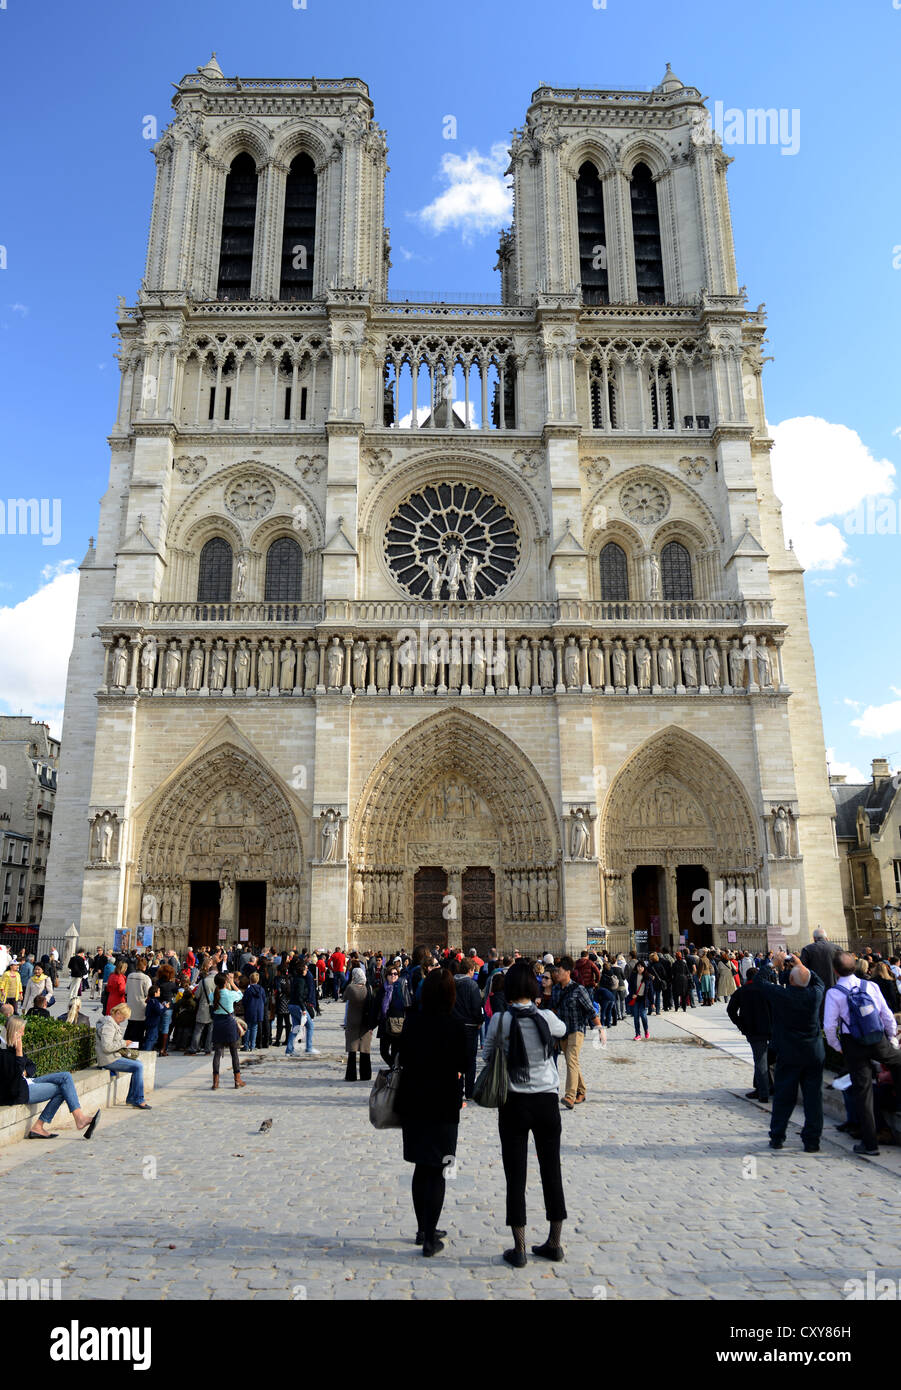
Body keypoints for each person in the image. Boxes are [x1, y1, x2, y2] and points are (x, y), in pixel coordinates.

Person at [482, 960, 568, 1267]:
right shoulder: (546, 1018)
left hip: (514, 1103)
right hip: (546, 1103)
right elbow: (563, 1029)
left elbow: (487, 1053)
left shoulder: (500, 1022)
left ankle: (518, 1249)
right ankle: (554, 1243)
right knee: (551, 1170)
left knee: (515, 1175)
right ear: (533, 988)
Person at [396, 968, 467, 1257]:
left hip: (413, 1101)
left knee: (420, 1167)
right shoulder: (456, 1025)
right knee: (439, 1170)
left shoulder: (412, 1022)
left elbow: (399, 1055)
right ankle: (429, 1238)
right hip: (444, 1105)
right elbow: (464, 1064)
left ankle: (423, 1229)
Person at [825, 950, 901, 1156]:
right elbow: (886, 1014)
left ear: (835, 970)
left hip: (853, 1044)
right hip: (877, 1038)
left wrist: (838, 1047)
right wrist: (892, 1037)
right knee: (897, 1062)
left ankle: (870, 1144)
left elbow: (829, 1027)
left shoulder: (834, 992)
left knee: (863, 1092)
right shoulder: (871, 986)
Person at [753, 952, 825, 1152]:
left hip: (789, 1053)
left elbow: (759, 981)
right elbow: (819, 981)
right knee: (813, 1100)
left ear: (790, 980)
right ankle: (812, 1141)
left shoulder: (782, 995)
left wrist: (772, 964)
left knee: (784, 1097)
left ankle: (777, 1137)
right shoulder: (816, 994)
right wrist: (802, 965)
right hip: (813, 1053)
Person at [0, 1017, 100, 1139]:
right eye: (21, 1031)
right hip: (17, 1092)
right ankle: (45, 1125)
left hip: (26, 1081)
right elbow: (14, 1075)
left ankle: (79, 1118)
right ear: (14, 1032)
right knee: (62, 1089)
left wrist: (25, 1072)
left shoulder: (12, 1047)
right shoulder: (4, 1052)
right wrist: (19, 1052)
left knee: (65, 1076)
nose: (23, 1034)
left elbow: (31, 1065)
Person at [551, 956, 601, 1109]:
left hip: (577, 1030)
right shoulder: (556, 990)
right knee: (571, 1061)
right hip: (562, 1032)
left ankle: (570, 1096)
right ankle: (581, 1091)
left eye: (558, 971)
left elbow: (591, 1011)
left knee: (571, 1059)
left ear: (567, 972)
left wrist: (600, 1030)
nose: (556, 974)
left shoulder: (579, 989)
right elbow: (554, 1010)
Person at [726, 967, 773, 1101]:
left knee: (760, 1060)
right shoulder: (767, 989)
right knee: (765, 1059)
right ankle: (764, 1088)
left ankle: (763, 1091)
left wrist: (741, 1024)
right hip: (771, 1028)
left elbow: (730, 1010)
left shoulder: (742, 991)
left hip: (753, 1029)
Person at [94, 1005, 151, 1109]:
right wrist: (124, 1043)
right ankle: (138, 1099)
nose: (123, 1020)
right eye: (122, 1017)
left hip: (112, 1056)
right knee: (138, 1066)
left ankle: (133, 1098)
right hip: (108, 1059)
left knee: (137, 1064)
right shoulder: (109, 1025)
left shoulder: (112, 1023)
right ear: (117, 1013)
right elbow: (107, 1047)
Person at [451, 956, 483, 1100]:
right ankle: (469, 1092)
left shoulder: (450, 982)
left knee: (456, 1058)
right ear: (470, 970)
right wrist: (479, 1020)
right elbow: (476, 1007)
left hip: (454, 1025)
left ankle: (457, 1090)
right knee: (470, 1060)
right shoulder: (472, 985)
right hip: (469, 1026)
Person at [210, 972, 247, 1090]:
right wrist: (232, 983)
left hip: (218, 1024)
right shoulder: (230, 994)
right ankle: (237, 1080)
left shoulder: (213, 995)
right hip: (229, 1023)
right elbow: (240, 994)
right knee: (234, 1053)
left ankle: (215, 1082)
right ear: (225, 982)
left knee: (217, 1053)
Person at [374, 962, 410, 1068]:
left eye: (395, 974)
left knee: (395, 1051)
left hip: (397, 1024)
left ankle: (395, 1072)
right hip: (385, 1024)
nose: (393, 976)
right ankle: (394, 1067)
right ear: (386, 976)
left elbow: (407, 1005)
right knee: (383, 1051)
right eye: (390, 974)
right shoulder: (382, 989)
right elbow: (376, 1007)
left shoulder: (401, 988)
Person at [341, 967, 373, 1081]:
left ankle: (351, 1075)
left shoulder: (351, 988)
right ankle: (366, 1075)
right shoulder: (368, 988)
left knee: (352, 1049)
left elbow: (344, 997)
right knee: (365, 1049)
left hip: (352, 1021)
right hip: (365, 1021)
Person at [800, 927, 837, 992]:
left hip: (815, 989)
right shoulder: (837, 949)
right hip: (834, 987)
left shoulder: (807, 950)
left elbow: (803, 970)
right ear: (826, 938)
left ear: (814, 939)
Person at [124, 957, 151, 1045]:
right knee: (139, 1028)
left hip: (131, 1003)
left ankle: (127, 1043)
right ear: (144, 967)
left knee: (130, 1025)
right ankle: (136, 1045)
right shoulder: (145, 978)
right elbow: (148, 992)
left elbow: (126, 990)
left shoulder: (130, 976)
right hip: (141, 1004)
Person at [626, 960, 654, 1040]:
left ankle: (646, 1030)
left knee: (643, 1015)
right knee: (636, 1017)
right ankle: (637, 1034)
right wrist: (632, 994)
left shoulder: (648, 977)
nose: (640, 968)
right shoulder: (633, 975)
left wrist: (652, 1002)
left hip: (644, 999)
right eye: (638, 966)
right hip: (636, 998)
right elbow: (630, 987)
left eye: (641, 967)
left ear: (644, 968)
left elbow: (651, 990)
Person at [241, 971, 267, 1052]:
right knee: (254, 1028)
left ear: (250, 980)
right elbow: (264, 1000)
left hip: (249, 1010)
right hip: (258, 1011)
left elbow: (244, 1001)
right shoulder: (261, 989)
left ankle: (246, 1045)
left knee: (247, 1028)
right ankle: (252, 1045)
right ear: (257, 980)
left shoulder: (248, 990)